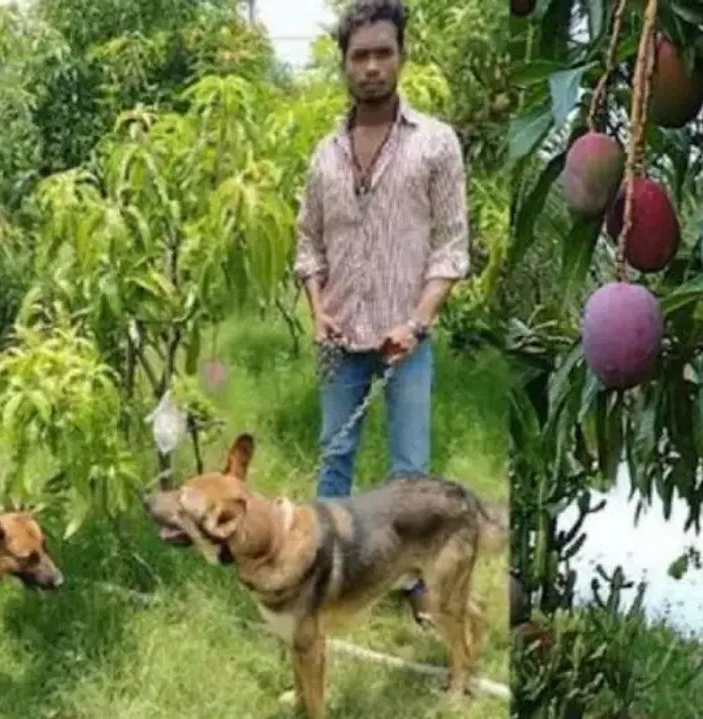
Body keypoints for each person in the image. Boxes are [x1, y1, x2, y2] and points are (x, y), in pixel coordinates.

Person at [293, 0, 470, 613]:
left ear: (401, 57)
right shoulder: (324, 156)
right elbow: (308, 246)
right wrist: (318, 311)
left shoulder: (436, 146)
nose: (371, 66)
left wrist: (417, 322)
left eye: (382, 53)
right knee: (334, 456)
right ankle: (322, 571)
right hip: (340, 342)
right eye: (359, 56)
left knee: (409, 473)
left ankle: (413, 583)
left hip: (407, 340)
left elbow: (451, 248)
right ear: (344, 64)